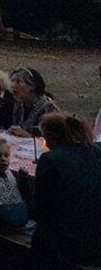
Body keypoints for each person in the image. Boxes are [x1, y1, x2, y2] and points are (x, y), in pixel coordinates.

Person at [31, 112, 101, 267]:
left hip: (68, 245)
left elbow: (38, 211)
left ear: (52, 137)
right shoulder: (95, 151)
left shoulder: (51, 159)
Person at [8, 67, 59, 137]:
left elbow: (51, 141)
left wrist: (27, 135)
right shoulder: (19, 104)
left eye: (18, 82)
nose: (13, 85)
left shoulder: (48, 108)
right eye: (12, 81)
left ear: (32, 86)